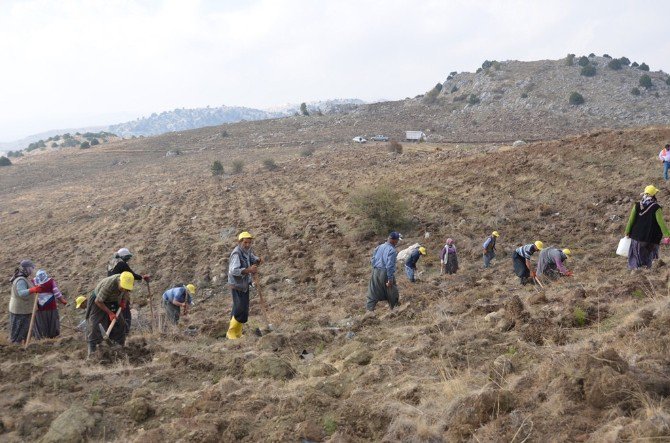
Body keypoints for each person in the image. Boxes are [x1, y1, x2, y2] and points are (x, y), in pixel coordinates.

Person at [86, 271, 134, 356]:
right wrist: (110, 313)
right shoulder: (109, 284)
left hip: (113, 300)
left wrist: (123, 301)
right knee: (96, 326)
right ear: (119, 281)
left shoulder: (127, 283)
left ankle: (117, 349)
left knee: (121, 324)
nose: (123, 289)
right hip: (99, 301)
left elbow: (126, 292)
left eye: (125, 288)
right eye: (122, 287)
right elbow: (98, 301)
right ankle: (93, 354)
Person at [227, 232, 262, 339]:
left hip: (245, 284)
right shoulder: (236, 254)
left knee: (243, 309)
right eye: (245, 242)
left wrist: (258, 260)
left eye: (249, 242)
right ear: (240, 242)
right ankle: (231, 333)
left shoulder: (247, 251)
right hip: (237, 285)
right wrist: (249, 270)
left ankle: (238, 333)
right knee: (239, 309)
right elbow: (234, 270)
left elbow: (252, 258)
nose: (247, 244)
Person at [106, 247, 151, 334]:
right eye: (127, 258)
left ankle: (114, 332)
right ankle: (125, 332)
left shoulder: (111, 263)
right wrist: (142, 277)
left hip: (110, 290)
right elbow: (131, 275)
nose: (128, 260)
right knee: (125, 311)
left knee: (114, 311)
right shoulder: (122, 264)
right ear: (124, 257)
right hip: (121, 289)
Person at [624, 185, 670, 269]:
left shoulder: (637, 205)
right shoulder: (656, 207)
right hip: (651, 238)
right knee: (649, 259)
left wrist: (627, 232)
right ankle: (648, 273)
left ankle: (637, 274)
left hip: (637, 237)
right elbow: (661, 223)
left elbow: (631, 220)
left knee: (636, 258)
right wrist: (667, 235)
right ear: (653, 195)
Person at [366, 231, 401, 311]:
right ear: (393, 240)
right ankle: (395, 310)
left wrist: (375, 269)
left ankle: (369, 312)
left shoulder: (379, 247)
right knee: (392, 291)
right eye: (397, 240)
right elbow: (389, 266)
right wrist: (390, 279)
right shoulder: (392, 250)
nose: (397, 242)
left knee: (373, 292)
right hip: (385, 272)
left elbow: (372, 260)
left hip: (375, 271)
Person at [8, 260, 39, 344]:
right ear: (27, 269)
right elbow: (21, 293)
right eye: (31, 268)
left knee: (24, 330)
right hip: (20, 310)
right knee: (19, 332)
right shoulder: (21, 280)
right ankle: (16, 348)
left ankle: (20, 347)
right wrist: (33, 289)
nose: (33, 270)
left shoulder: (24, 278)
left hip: (23, 309)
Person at [32, 270, 67, 339]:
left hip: (39, 308)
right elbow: (57, 293)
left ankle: (42, 337)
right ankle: (53, 335)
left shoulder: (33, 282)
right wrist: (62, 301)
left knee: (40, 323)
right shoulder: (50, 282)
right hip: (50, 307)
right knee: (52, 322)